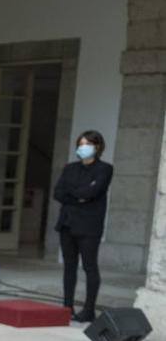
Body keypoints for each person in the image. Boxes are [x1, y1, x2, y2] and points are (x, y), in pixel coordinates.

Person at [54, 130, 113, 323]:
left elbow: (93, 192)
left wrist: (78, 194)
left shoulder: (104, 169)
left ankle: (88, 310)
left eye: (86, 144)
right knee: (69, 267)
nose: (82, 147)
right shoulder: (70, 168)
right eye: (80, 144)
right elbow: (58, 193)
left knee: (89, 266)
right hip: (68, 223)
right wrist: (79, 196)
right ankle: (67, 306)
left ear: (96, 147)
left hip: (89, 225)